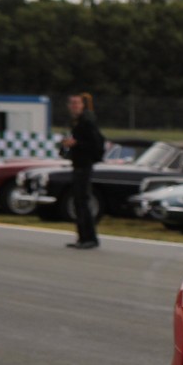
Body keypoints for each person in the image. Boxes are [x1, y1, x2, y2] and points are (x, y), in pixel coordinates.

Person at [60, 92, 105, 249]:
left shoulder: (87, 122)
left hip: (85, 165)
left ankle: (90, 238)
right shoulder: (75, 122)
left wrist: (76, 143)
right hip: (77, 164)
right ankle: (82, 237)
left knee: (83, 201)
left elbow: (96, 144)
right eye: (71, 103)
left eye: (77, 103)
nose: (74, 106)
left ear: (82, 105)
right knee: (78, 201)